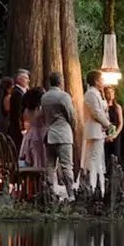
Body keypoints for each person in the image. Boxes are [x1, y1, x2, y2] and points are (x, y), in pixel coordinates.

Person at [41, 72, 76, 200]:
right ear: (60, 81)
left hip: (50, 133)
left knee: (50, 165)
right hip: (63, 133)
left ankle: (50, 191)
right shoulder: (63, 96)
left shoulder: (44, 97)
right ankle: (70, 193)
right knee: (67, 165)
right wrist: (73, 126)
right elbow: (71, 115)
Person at [82, 70, 111, 194]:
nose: (103, 82)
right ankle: (93, 186)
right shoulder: (91, 94)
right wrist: (108, 124)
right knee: (93, 158)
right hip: (93, 129)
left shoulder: (97, 93)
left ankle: (99, 185)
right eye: (101, 79)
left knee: (98, 158)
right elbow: (96, 112)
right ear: (96, 80)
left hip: (98, 130)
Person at [19, 87, 46, 168]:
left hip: (31, 134)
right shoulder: (41, 110)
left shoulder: (27, 110)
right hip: (41, 134)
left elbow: (26, 121)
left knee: (35, 157)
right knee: (42, 157)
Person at [8, 69, 30, 151]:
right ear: (19, 79)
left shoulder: (22, 92)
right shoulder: (17, 93)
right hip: (18, 129)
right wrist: (22, 128)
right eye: (26, 78)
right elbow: (18, 112)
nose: (28, 80)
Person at [103, 85, 124, 166]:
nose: (110, 94)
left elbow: (121, 123)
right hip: (105, 132)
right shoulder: (104, 107)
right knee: (106, 156)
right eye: (108, 93)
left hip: (115, 133)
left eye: (111, 92)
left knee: (116, 156)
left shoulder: (117, 107)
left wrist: (114, 135)